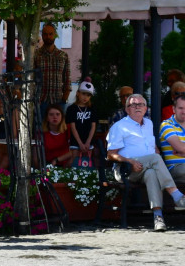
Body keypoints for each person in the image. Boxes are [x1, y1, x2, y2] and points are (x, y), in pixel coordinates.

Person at [107, 93, 185, 232]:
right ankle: (176, 195)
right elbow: (111, 154)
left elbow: (152, 146)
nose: (137, 107)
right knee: (155, 159)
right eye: (133, 105)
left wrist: (156, 150)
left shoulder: (149, 124)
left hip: (145, 168)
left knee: (151, 173)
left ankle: (158, 217)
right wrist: (129, 161)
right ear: (127, 109)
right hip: (126, 169)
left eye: (141, 104)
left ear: (145, 108)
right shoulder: (119, 126)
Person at [33, 23, 71, 110]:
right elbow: (32, 77)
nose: (48, 37)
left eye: (50, 34)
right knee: (40, 124)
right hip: (40, 101)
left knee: (58, 124)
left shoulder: (63, 55)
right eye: (45, 34)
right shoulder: (36, 55)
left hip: (58, 100)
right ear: (42, 35)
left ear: (55, 35)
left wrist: (64, 98)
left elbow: (67, 79)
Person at [66, 81, 97, 164]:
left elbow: (93, 126)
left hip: (88, 140)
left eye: (88, 95)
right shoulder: (71, 108)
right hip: (75, 141)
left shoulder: (92, 108)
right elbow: (73, 127)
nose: (85, 97)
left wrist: (88, 142)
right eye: (83, 93)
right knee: (74, 161)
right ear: (77, 93)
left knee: (87, 162)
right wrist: (80, 143)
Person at [159, 94, 185, 184]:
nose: (183, 111)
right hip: (176, 168)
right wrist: (181, 150)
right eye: (180, 108)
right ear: (174, 109)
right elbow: (180, 147)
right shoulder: (166, 125)